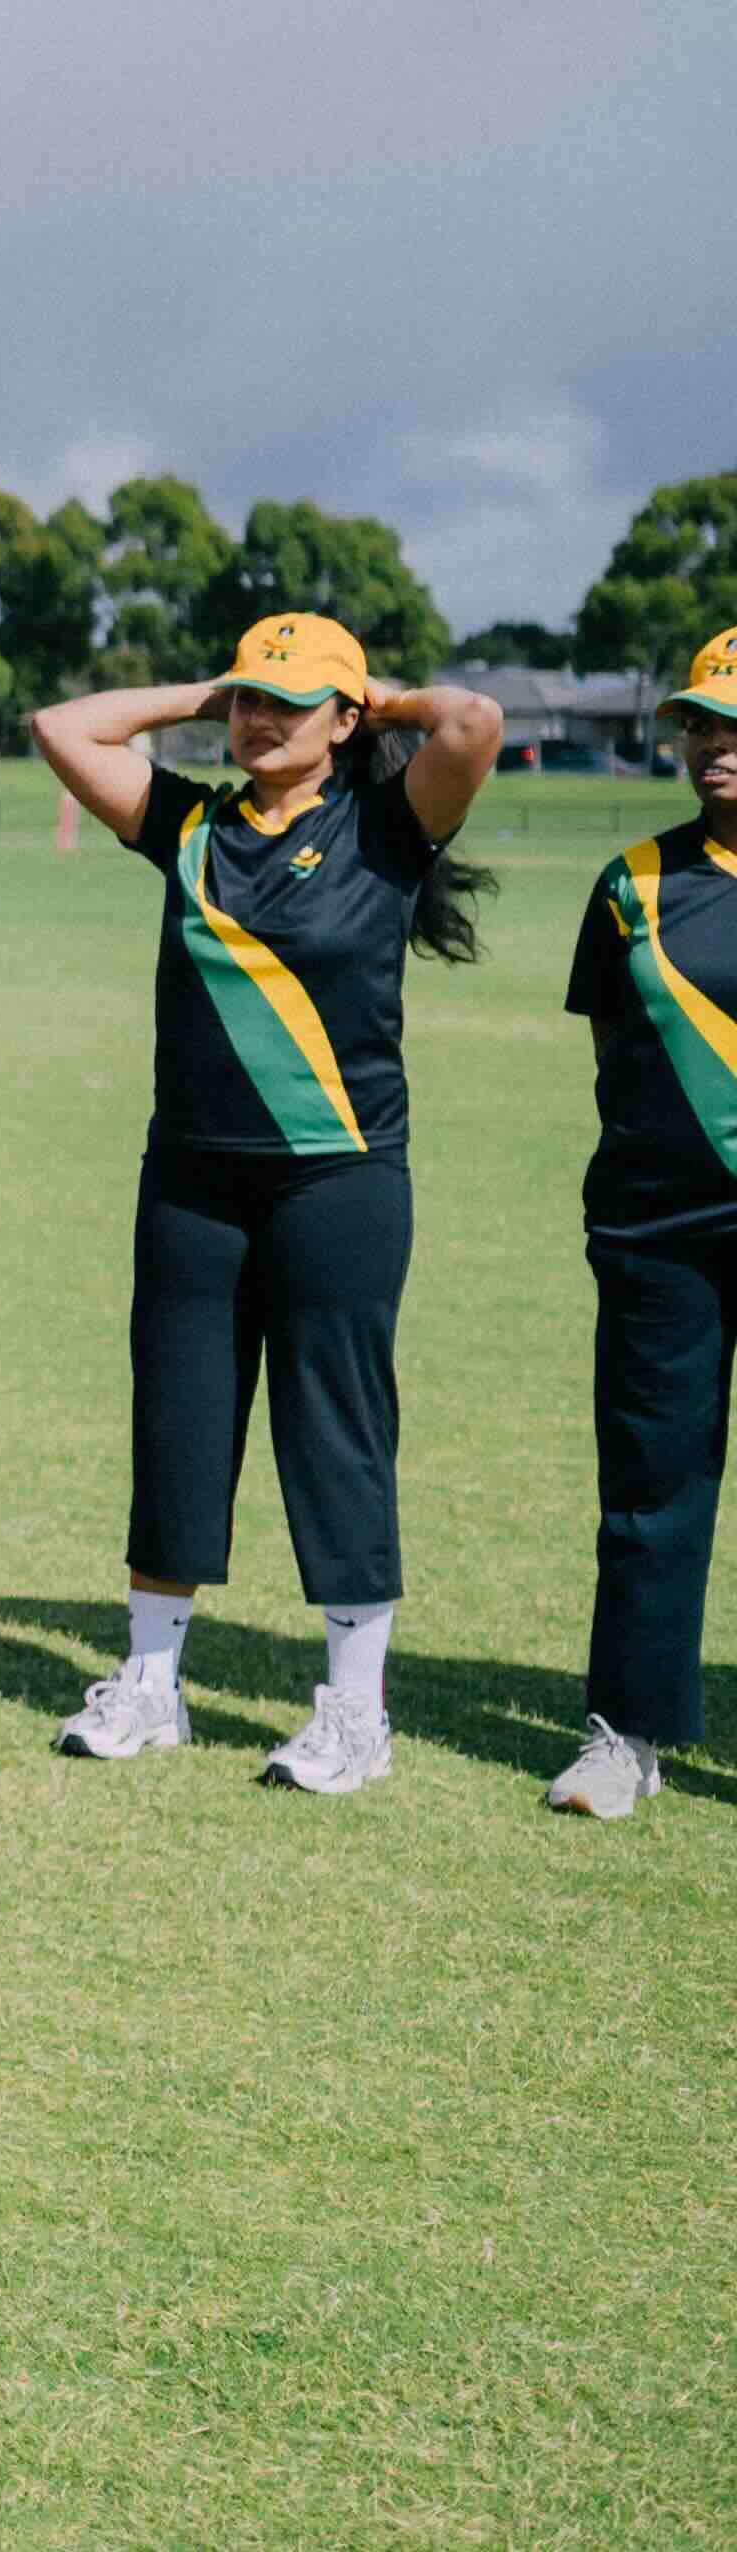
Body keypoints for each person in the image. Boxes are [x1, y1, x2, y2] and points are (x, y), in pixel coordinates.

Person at [30, 615, 500, 1796]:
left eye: (289, 701)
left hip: (335, 1178)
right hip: (191, 1178)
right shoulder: (185, 824)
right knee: (177, 1420)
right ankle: (151, 1685)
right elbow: (59, 726)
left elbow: (474, 723)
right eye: (247, 697)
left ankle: (354, 1710)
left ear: (343, 720)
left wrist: (366, 700)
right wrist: (207, 687)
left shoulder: (386, 826)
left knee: (332, 1429)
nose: (257, 717)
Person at [549, 629, 737, 1818]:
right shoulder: (633, 880)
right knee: (650, 1488)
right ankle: (627, 1734)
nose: (716, 745)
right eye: (702, 723)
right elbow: (616, 1049)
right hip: (661, 1240)